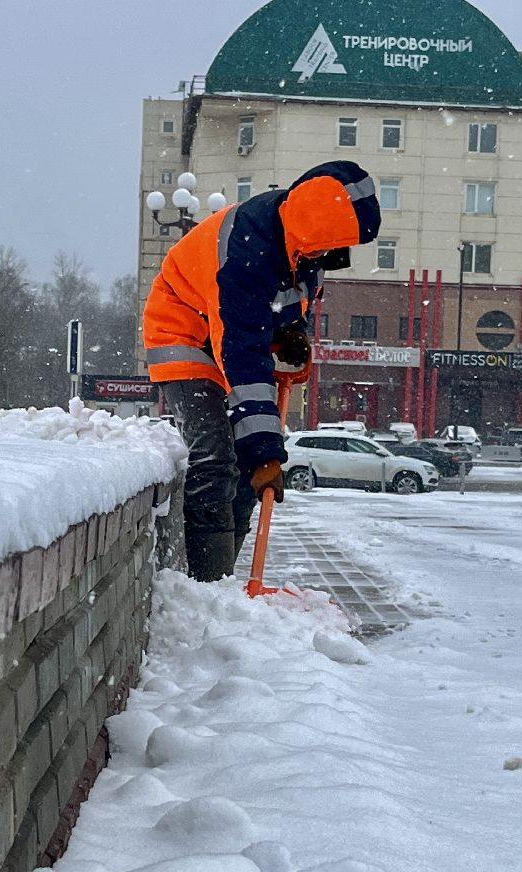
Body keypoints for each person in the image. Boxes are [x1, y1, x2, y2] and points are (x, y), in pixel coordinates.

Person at [142, 160, 380, 582]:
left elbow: (283, 310)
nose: (330, 255)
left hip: (227, 336)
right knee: (217, 455)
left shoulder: (303, 246)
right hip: (181, 330)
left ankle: (226, 579)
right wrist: (268, 453)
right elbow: (246, 358)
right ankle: (205, 585)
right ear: (316, 229)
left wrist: (292, 331)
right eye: (331, 245)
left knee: (245, 463)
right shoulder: (246, 255)